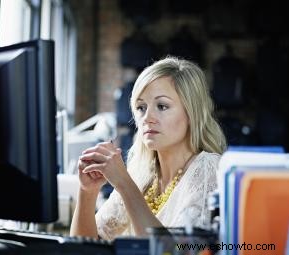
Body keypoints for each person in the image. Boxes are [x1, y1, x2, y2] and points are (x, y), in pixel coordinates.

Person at [70, 56, 227, 240]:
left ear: (192, 113)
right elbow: (84, 247)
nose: (147, 117)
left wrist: (124, 184)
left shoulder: (209, 168)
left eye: (162, 106)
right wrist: (87, 192)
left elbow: (172, 252)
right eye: (141, 107)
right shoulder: (140, 173)